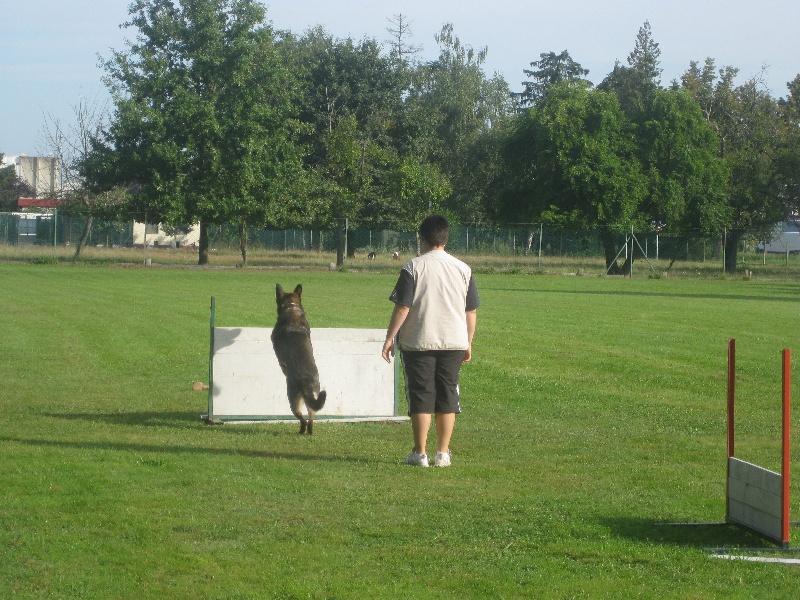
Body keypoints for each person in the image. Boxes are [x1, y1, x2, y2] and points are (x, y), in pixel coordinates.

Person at [381, 215, 479, 467]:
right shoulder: (463, 269)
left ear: (422, 239)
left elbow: (403, 307)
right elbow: (471, 311)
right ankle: (443, 453)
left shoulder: (413, 267)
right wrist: (468, 341)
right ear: (446, 237)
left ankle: (420, 453)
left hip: (419, 340)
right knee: (448, 395)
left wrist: (390, 337)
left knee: (421, 395)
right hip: (453, 341)